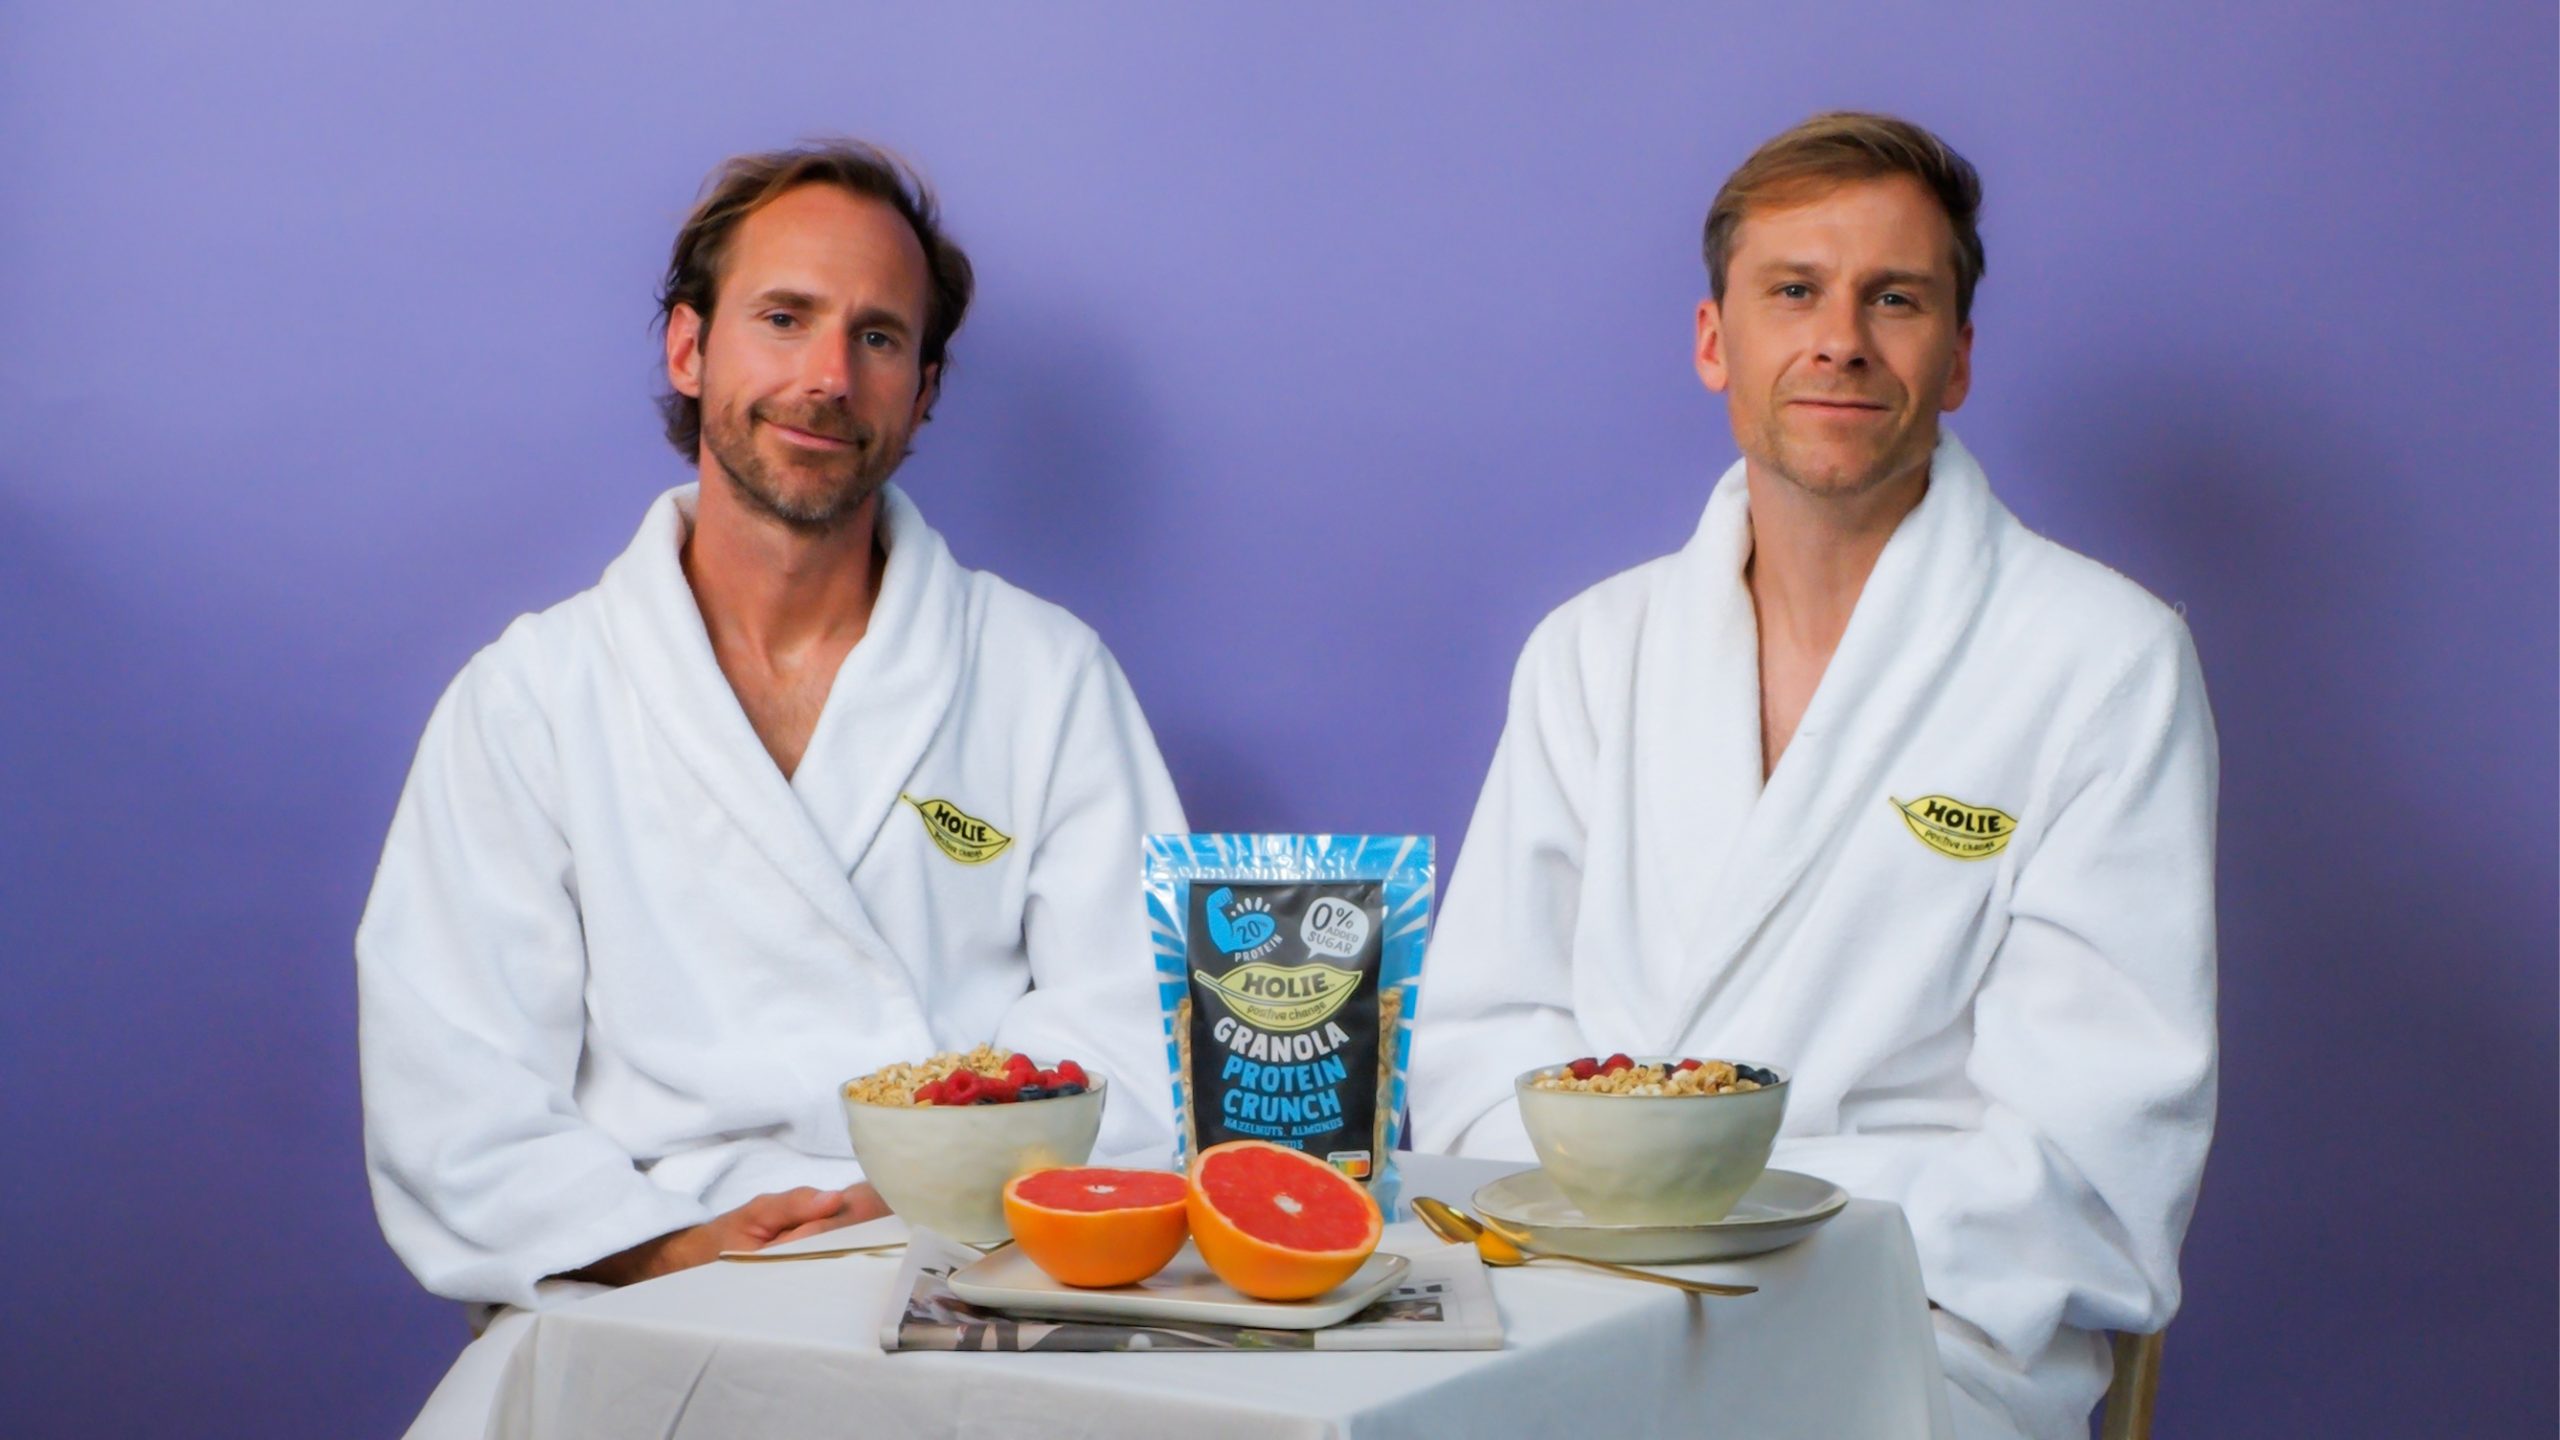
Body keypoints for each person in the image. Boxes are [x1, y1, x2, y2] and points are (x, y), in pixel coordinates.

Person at [1408, 112, 2218, 1440]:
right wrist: (1662, 1212)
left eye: (1894, 298)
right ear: (1714, 341)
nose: (1841, 338)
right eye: (1795, 291)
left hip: (1922, 1341)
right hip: (1569, 1309)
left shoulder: (2100, 661)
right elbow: (1471, 1056)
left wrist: (1673, 1183)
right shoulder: (1590, 652)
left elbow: (2088, 1168)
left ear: (1958, 356)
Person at [357, 141, 1183, 1433]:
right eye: (784, 318)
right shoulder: (532, 699)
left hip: (969, 1271)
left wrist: (931, 1190)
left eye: (879, 337)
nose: (827, 377)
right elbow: (452, 1086)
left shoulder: (1044, 675)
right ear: (690, 348)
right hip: (647, 1285)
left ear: (923, 392)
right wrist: (665, 1247)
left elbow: (1140, 1028)